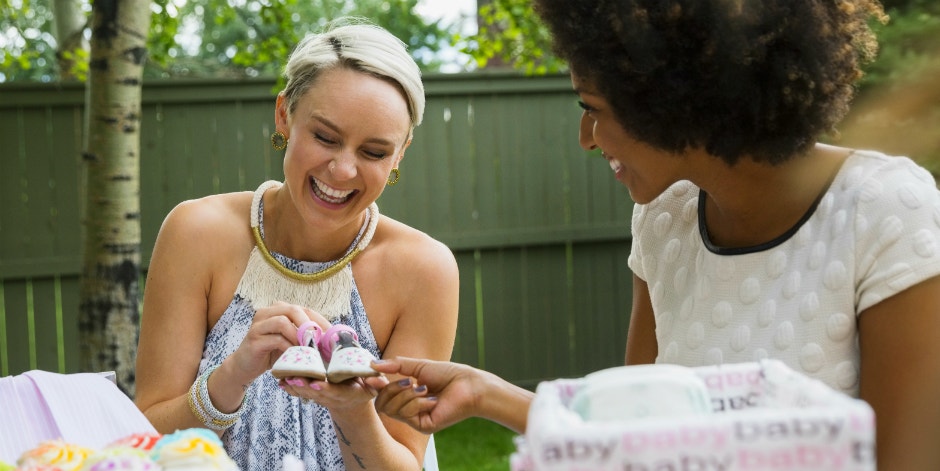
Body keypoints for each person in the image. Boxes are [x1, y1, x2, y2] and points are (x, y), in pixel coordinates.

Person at [372, 1, 940, 469]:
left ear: (679, 100)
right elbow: (634, 432)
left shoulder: (884, 210)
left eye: (593, 108)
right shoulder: (665, 219)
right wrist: (484, 392)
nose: (585, 138)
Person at [134, 19, 460, 471]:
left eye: (374, 152)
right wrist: (232, 376)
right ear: (284, 115)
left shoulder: (424, 270)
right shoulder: (195, 233)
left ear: (401, 152)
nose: (343, 171)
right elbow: (147, 442)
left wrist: (353, 410)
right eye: (325, 137)